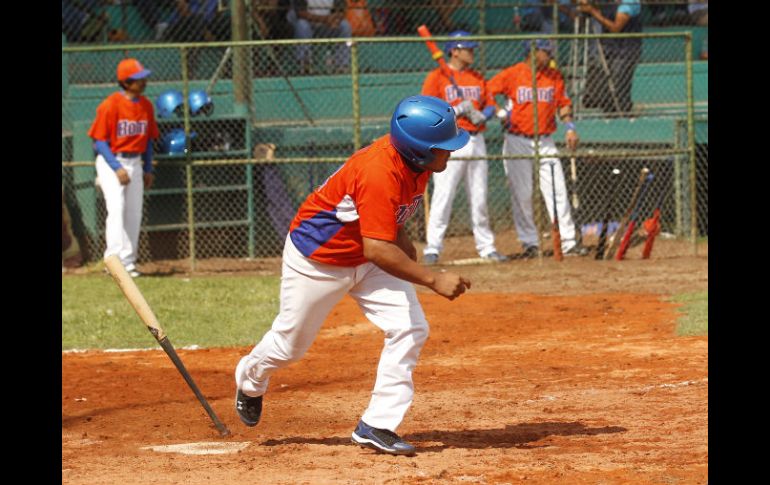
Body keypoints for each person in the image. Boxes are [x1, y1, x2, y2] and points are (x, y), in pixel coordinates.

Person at [234, 95, 472, 456]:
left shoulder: (418, 166)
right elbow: (377, 246)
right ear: (418, 150)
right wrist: (432, 278)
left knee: (410, 327)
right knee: (289, 346)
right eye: (443, 147)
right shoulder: (379, 170)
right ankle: (250, 381)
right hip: (319, 258)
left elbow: (389, 218)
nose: (450, 153)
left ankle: (377, 424)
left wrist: (405, 244)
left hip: (370, 255)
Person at [487, 39, 586, 258]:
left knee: (557, 190)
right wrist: (501, 112)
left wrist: (570, 127)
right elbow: (487, 91)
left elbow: (563, 103)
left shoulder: (554, 75)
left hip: (546, 139)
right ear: (532, 52)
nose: (549, 55)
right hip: (516, 139)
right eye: (545, 51)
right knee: (522, 194)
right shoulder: (513, 73)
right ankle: (529, 243)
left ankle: (568, 241)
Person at [419, 31, 508, 265]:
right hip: (450, 141)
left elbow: (490, 104)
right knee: (443, 196)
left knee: (479, 197)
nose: (472, 52)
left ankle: (486, 247)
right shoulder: (437, 77)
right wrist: (457, 110)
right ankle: (433, 247)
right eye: (467, 48)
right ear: (454, 51)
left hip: (477, 139)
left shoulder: (477, 77)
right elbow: (427, 111)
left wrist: (484, 115)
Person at [88, 58, 159, 277]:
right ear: (126, 83)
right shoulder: (110, 104)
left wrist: (148, 169)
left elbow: (147, 140)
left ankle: (128, 262)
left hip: (135, 161)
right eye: (138, 79)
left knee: (134, 212)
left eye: (143, 78)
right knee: (116, 208)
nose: (143, 82)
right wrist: (116, 167)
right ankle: (114, 261)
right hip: (112, 161)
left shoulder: (146, 105)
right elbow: (99, 141)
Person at [577, 0, 642, 115]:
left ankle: (622, 110)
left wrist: (593, 12)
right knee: (605, 82)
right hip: (609, 48)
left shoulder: (630, 3)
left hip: (626, 50)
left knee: (619, 81)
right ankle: (607, 107)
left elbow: (616, 28)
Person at [286, 0, 353, 74]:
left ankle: (341, 65)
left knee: (344, 26)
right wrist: (325, 19)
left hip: (326, 25)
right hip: (307, 23)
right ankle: (304, 63)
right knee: (302, 25)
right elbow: (301, 13)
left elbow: (341, 9)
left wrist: (335, 19)